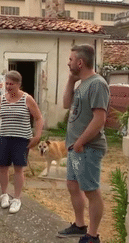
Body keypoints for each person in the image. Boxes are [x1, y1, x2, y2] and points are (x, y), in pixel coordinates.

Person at [57, 44, 109, 243]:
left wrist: (79, 143)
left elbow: (99, 119)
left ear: (80, 62)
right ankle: (80, 225)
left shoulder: (97, 84)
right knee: (72, 185)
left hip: (88, 148)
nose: (68, 63)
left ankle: (92, 235)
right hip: (76, 148)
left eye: (71, 60)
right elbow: (65, 103)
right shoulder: (82, 84)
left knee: (91, 190)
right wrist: (71, 79)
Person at [0, 70, 43, 214]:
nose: (8, 86)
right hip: (5, 137)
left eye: (11, 84)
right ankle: (4, 195)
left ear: (19, 84)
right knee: (3, 167)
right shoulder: (0, 99)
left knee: (19, 168)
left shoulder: (27, 99)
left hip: (21, 139)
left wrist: (37, 136)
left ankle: (17, 198)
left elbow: (38, 118)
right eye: (7, 83)